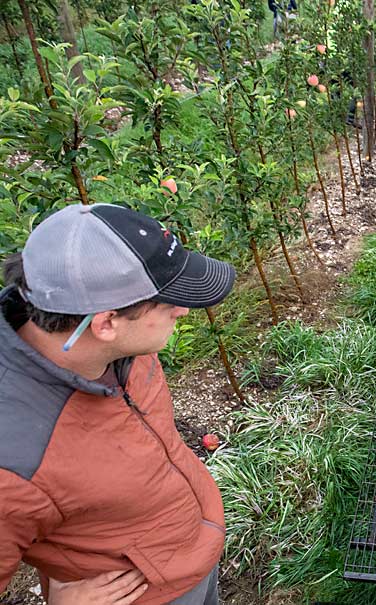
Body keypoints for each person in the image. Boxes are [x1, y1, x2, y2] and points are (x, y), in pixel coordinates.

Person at [0, 204, 236, 604]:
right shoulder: (14, 459)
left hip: (191, 552)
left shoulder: (122, 346)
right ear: (105, 323)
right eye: (168, 302)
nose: (183, 310)